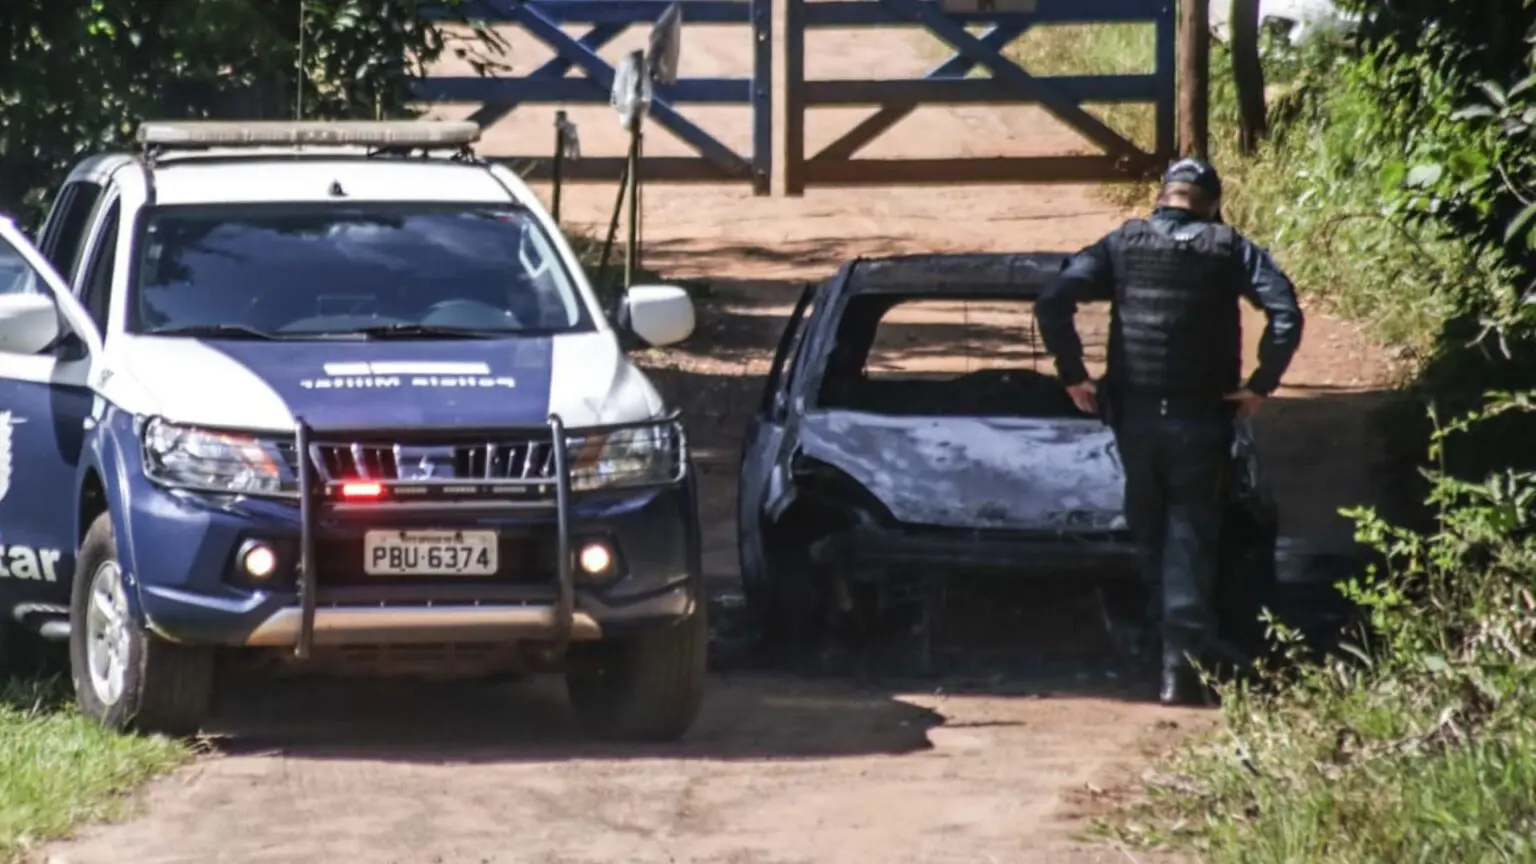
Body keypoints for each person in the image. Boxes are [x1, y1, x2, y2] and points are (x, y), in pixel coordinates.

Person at [1033, 158, 1304, 706]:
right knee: (1190, 537)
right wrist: (1260, 385)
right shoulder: (1230, 248)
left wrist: (1073, 375)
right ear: (1210, 202)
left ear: (1164, 196)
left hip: (1134, 421)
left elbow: (1053, 299)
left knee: (1152, 534)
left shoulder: (1121, 244)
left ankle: (1168, 652)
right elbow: (1286, 314)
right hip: (1200, 420)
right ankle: (1180, 668)